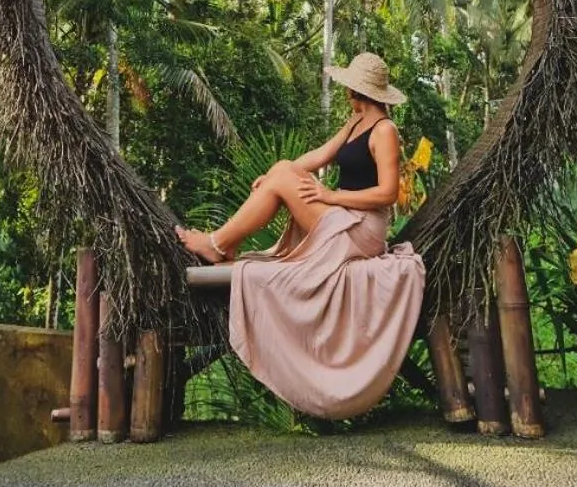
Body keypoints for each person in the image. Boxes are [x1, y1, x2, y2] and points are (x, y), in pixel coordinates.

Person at [176, 52, 427, 419]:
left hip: (362, 230)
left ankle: (217, 244)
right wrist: (277, 175)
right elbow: (319, 156)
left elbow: (387, 193)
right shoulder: (355, 122)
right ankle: (222, 242)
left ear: (357, 90)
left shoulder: (385, 131)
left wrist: (330, 196)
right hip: (342, 218)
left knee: (281, 176)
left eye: (349, 88)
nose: (346, 94)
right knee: (280, 170)